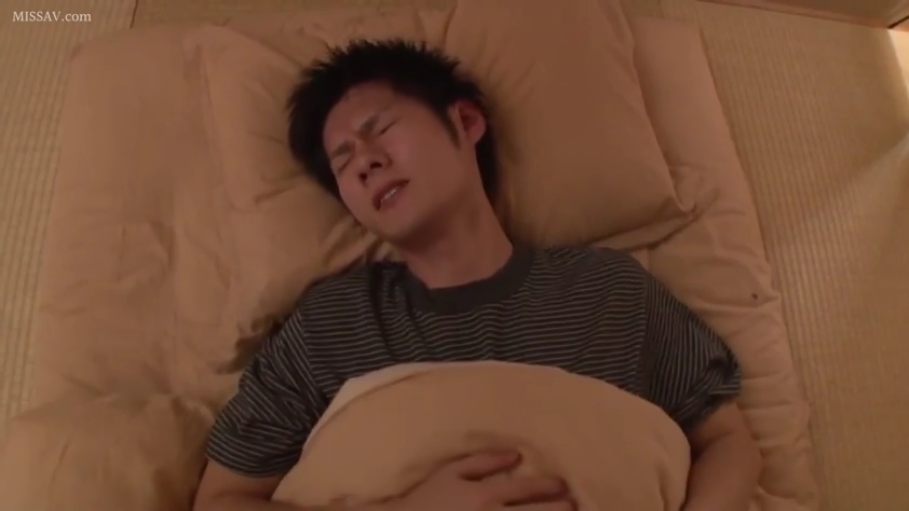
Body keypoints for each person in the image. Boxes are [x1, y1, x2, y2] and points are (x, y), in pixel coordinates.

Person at [192, 39, 761, 511]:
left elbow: (728, 442)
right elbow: (221, 499)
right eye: (343, 162)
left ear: (465, 121)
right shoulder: (331, 324)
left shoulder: (610, 291)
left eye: (380, 129)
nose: (364, 161)